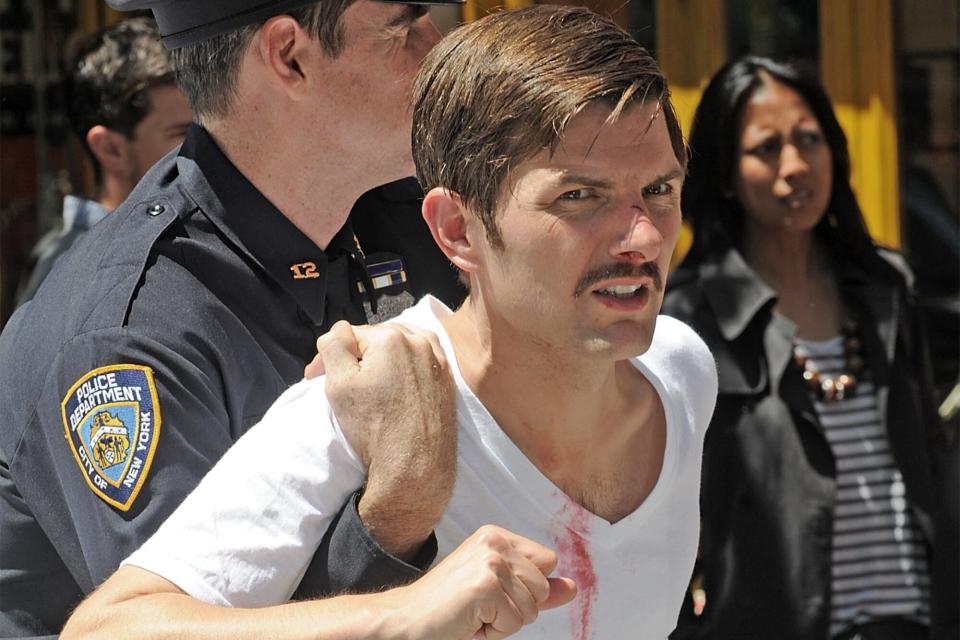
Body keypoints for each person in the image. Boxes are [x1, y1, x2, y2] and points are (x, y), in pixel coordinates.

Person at [62, 6, 718, 639]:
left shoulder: (682, 370)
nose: (642, 235)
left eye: (659, 190)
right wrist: (400, 616)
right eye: (580, 196)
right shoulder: (367, 409)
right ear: (458, 230)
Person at [0, 0, 471, 636]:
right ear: (289, 56)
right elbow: (193, 621)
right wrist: (397, 507)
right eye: (403, 26)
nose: (435, 46)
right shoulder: (127, 335)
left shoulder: (403, 214)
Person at [662, 56, 958, 640]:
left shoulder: (885, 289)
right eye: (766, 148)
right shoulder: (689, 320)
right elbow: (661, 511)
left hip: (916, 619)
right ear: (724, 171)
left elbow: (927, 454)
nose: (795, 166)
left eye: (809, 139)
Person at [15, 17, 193, 306]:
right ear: (111, 149)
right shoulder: (69, 273)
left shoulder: (168, 241)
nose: (205, 148)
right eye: (183, 133)